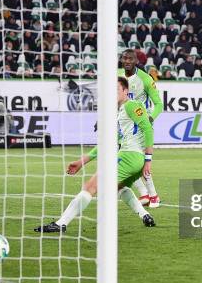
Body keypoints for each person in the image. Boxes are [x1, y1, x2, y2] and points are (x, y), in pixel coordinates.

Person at [34, 77, 156, 233]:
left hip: (129, 156)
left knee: (90, 186)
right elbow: (108, 143)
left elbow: (148, 129)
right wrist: (81, 161)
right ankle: (144, 215)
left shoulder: (131, 105)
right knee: (118, 188)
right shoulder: (120, 114)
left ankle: (60, 224)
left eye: (117, 89)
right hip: (135, 161)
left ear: (126, 91)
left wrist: (148, 160)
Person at [118, 49, 164, 208]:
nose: (127, 61)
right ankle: (144, 194)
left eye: (131, 59)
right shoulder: (117, 75)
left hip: (139, 125)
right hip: (122, 124)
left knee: (142, 158)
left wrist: (149, 119)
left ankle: (154, 196)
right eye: (125, 58)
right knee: (127, 158)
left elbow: (159, 104)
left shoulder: (145, 78)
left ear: (136, 61)